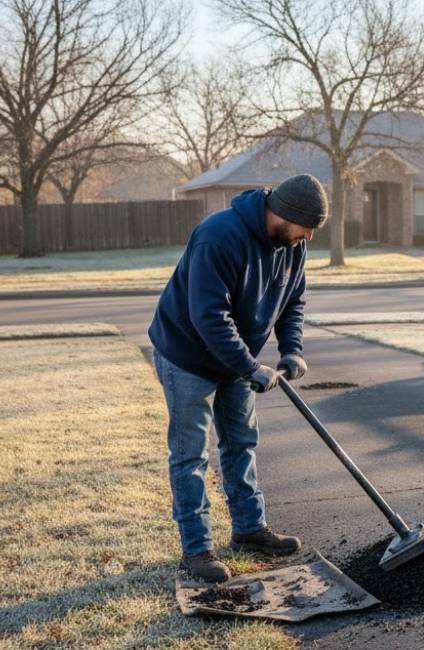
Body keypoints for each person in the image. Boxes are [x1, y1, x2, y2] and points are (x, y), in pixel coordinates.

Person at [149, 174, 328, 581]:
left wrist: (291, 349)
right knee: (191, 454)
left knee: (241, 442)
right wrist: (249, 367)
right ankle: (197, 551)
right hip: (186, 354)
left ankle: (249, 529)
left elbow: (293, 300)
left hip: (235, 356)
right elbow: (208, 316)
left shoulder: (292, 245)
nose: (309, 237)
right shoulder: (218, 236)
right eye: (307, 227)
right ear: (283, 214)